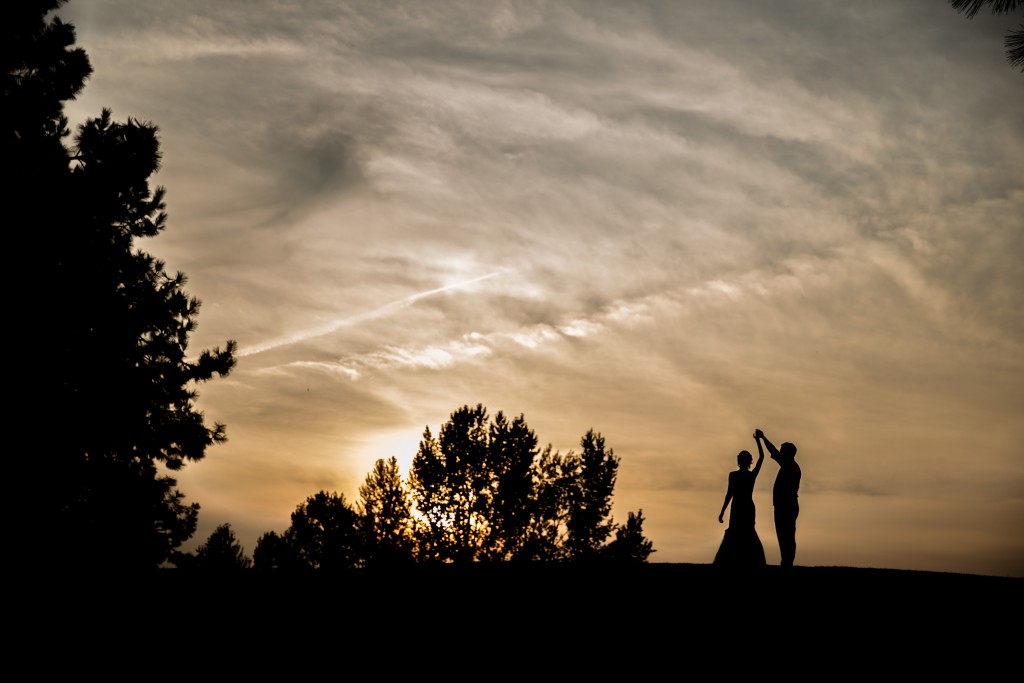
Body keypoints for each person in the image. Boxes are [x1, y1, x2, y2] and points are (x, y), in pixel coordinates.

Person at [713, 433, 766, 569]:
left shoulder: (748, 475)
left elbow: (762, 458)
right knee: (739, 532)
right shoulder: (736, 475)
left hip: (743, 506)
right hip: (739, 507)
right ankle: (732, 561)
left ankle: (752, 561)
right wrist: (722, 511)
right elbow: (729, 493)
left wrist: (758, 440)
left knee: (745, 532)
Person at [754, 428, 801, 567]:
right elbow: (774, 452)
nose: (779, 452)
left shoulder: (790, 465)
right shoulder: (789, 465)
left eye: (782, 450)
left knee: (786, 534)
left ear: (788, 453)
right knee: (784, 534)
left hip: (787, 505)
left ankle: (787, 562)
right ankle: (786, 561)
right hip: (784, 505)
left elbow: (772, 451)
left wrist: (763, 438)